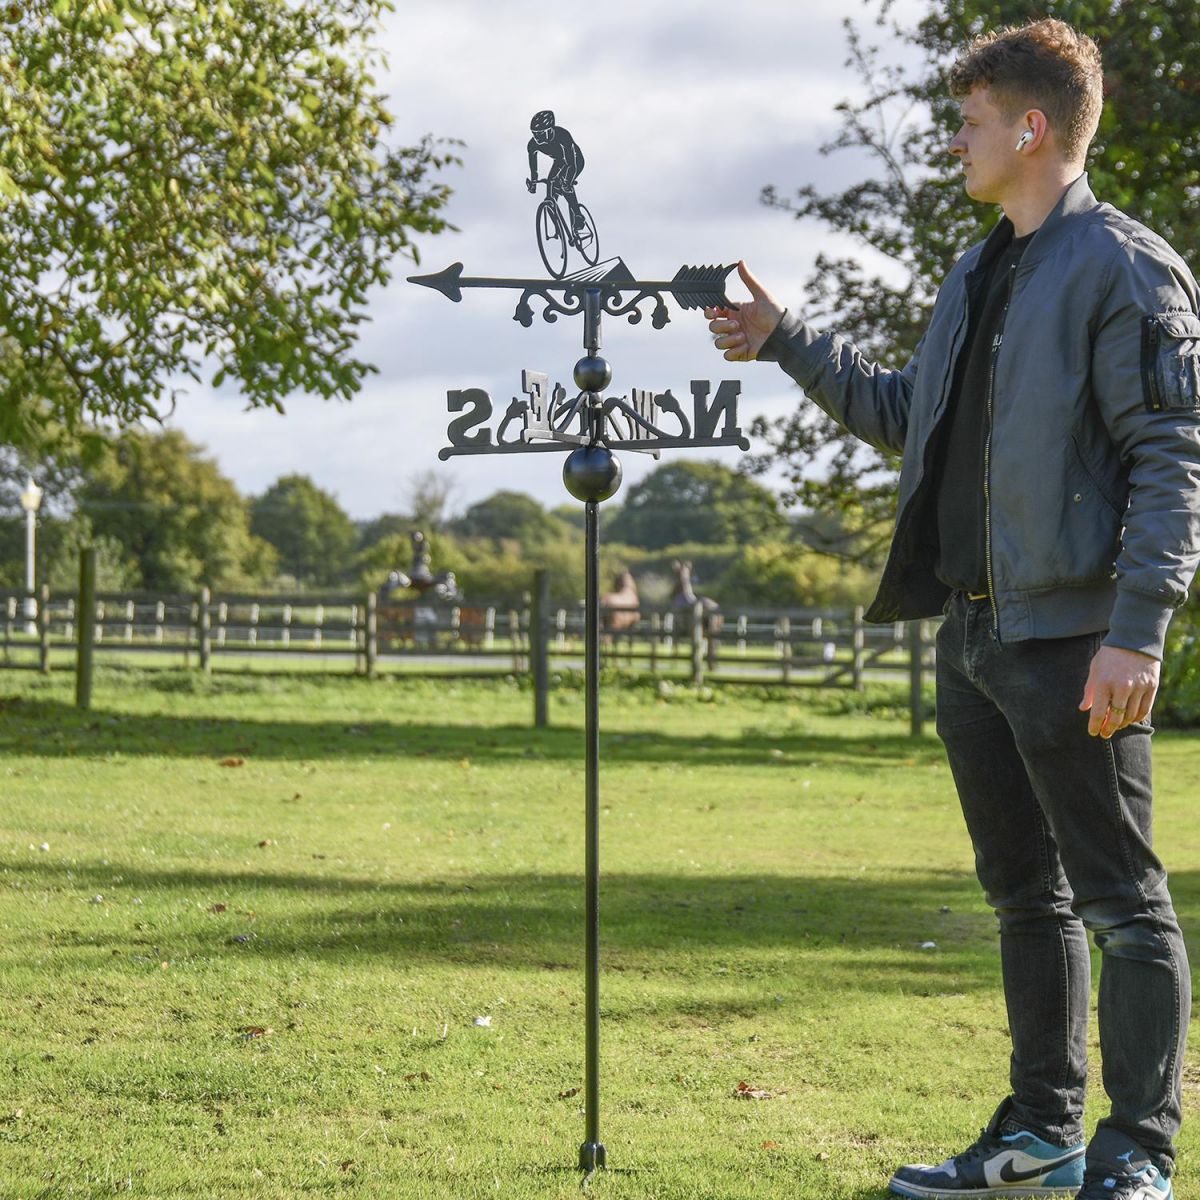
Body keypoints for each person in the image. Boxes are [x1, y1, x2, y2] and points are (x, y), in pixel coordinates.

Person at [706, 19, 1200, 1200]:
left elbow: (1175, 457)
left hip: (1077, 639)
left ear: (1031, 128)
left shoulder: (1131, 271)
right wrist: (783, 344)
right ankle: (1042, 1131)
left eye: (970, 121)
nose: (954, 140)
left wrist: (1137, 632)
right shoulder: (979, 270)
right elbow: (905, 417)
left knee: (1123, 903)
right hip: (973, 638)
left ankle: (1138, 1153)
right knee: (1024, 900)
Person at [526, 109, 587, 232]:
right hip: (559, 161)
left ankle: (578, 215)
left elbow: (571, 164)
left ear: (550, 130)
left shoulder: (563, 135)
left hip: (575, 159)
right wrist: (533, 183)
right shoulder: (532, 145)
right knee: (551, 190)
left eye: (540, 133)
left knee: (564, 185)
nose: (537, 137)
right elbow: (534, 169)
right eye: (534, 134)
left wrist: (567, 182)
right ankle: (559, 227)